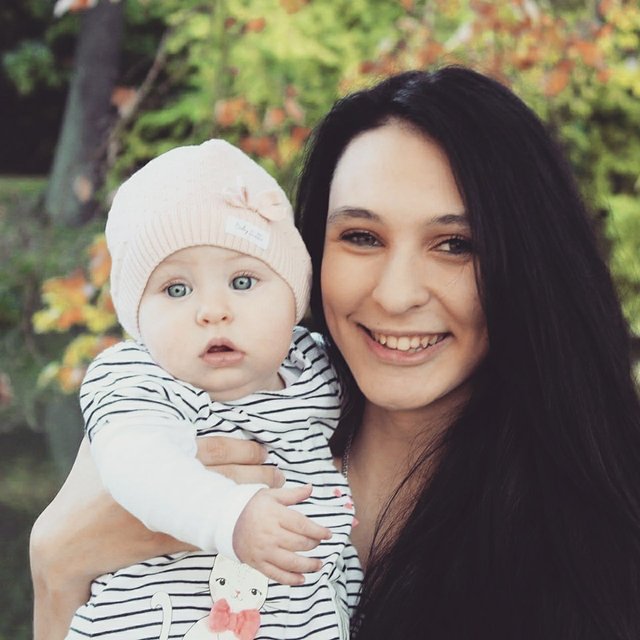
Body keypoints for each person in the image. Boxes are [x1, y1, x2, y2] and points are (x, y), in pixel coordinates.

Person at [31, 65, 640, 640]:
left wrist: (58, 559)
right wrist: (57, 568)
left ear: (528, 263)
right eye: (362, 237)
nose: (396, 295)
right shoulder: (188, 415)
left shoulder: (593, 528)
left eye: (455, 244)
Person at [62, 139, 359, 639]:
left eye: (243, 282)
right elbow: (136, 463)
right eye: (176, 289)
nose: (213, 311)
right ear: (138, 318)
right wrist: (228, 515)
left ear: (293, 298)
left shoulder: (318, 366)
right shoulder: (141, 377)